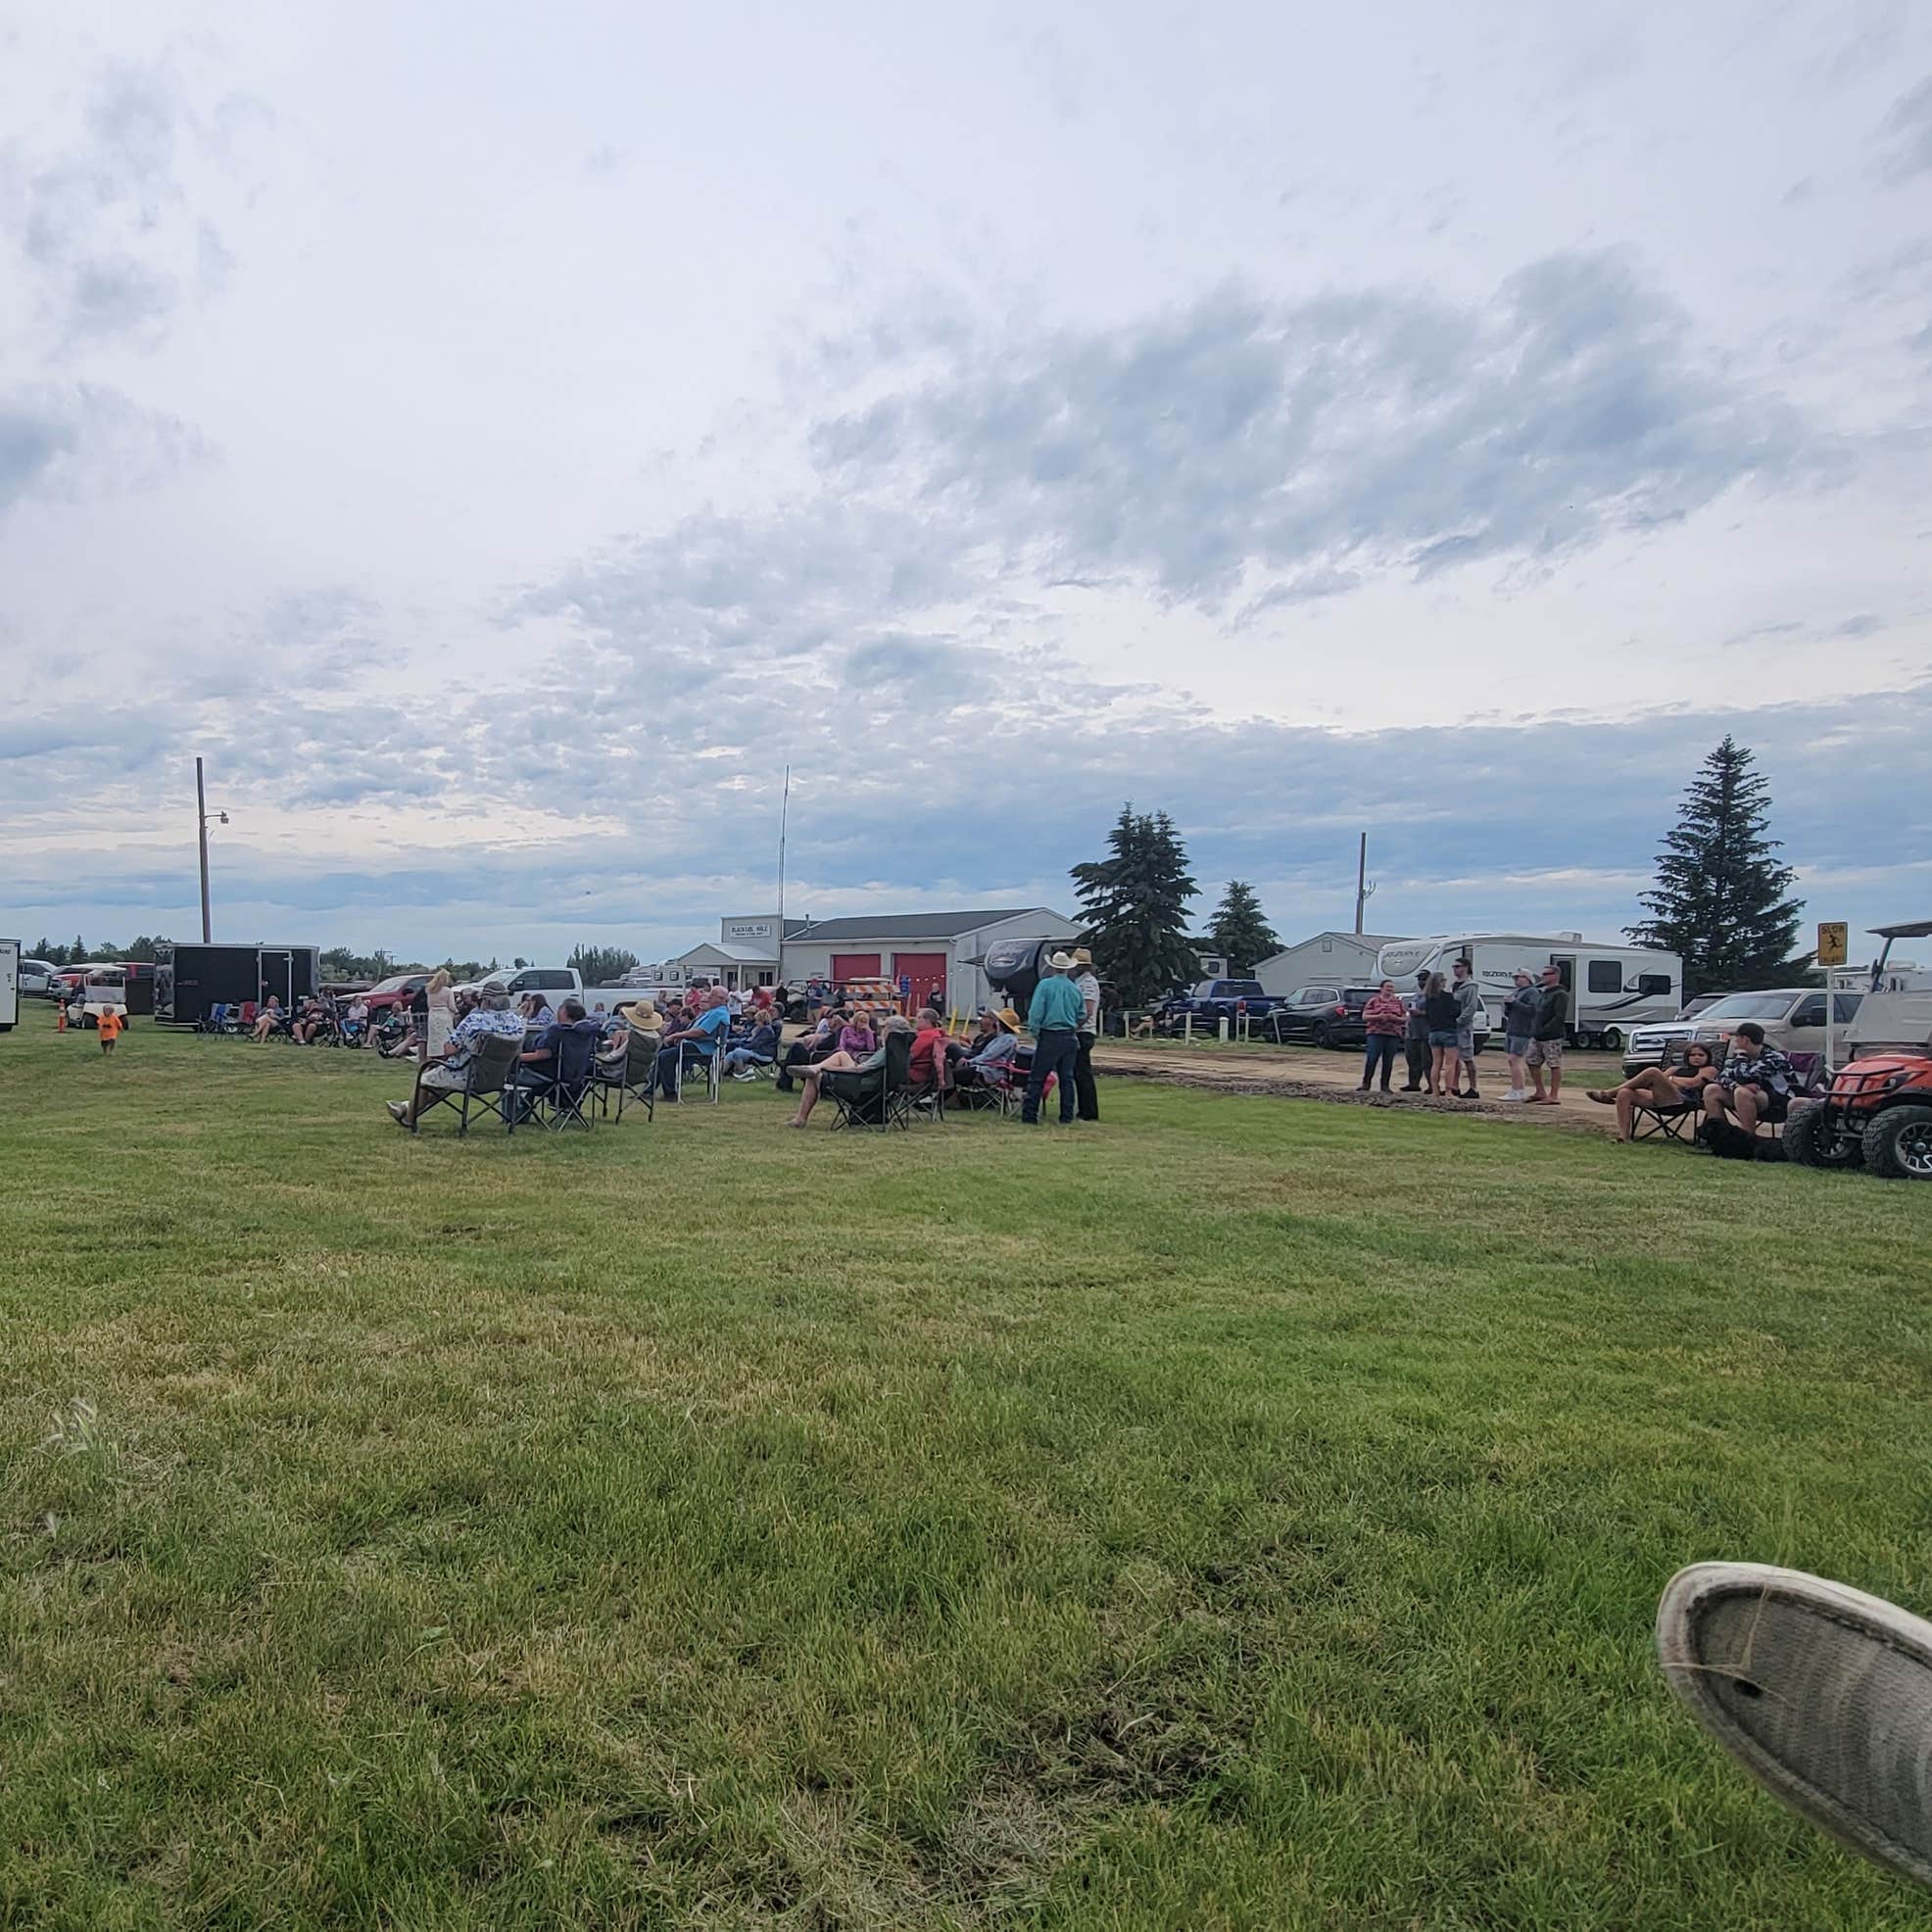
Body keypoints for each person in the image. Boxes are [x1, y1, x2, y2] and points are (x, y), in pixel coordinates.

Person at [386, 978, 526, 1130]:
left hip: (467, 1075)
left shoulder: (475, 1020)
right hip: (500, 1077)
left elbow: (450, 1049)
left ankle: (408, 1117)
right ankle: (406, 1107)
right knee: (440, 1083)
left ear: (486, 1001)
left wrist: (451, 1041)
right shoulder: (517, 1022)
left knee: (426, 1078)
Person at [786, 1015, 910, 1127]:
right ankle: (814, 1068)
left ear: (890, 1031)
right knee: (842, 1055)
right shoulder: (900, 1052)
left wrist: (830, 1069)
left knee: (814, 1077)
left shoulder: (886, 1052)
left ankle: (800, 1119)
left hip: (861, 1086)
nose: (883, 1031)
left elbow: (859, 1070)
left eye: (885, 1028)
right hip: (874, 1085)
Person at [1587, 1040, 1719, 1141]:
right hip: (1661, 1099)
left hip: (1683, 1101)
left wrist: (1671, 1079)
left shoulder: (1709, 1069)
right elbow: (1659, 1081)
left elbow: (1692, 1083)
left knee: (1653, 1072)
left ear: (1707, 1057)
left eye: (1701, 1055)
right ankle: (1624, 1137)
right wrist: (1669, 1080)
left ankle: (1609, 1094)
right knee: (1625, 1092)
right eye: (1692, 1055)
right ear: (1687, 1057)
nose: (1696, 1057)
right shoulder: (1675, 1068)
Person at [507, 996, 601, 1121]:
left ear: (564, 1012)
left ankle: (514, 1116)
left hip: (549, 1078)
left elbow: (542, 1055)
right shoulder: (587, 1032)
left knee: (513, 1073)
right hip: (574, 1079)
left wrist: (514, 1057)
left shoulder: (557, 1031)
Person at [1702, 1021, 1794, 1140]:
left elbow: (1748, 1074)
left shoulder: (1774, 1057)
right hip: (1748, 1095)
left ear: (1745, 1039)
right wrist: (1736, 1085)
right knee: (1711, 1090)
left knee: (1742, 1093)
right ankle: (1721, 1137)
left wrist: (1741, 1059)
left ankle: (1748, 1139)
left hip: (1777, 1102)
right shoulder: (1742, 1058)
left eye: (1737, 1038)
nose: (1735, 1042)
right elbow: (1721, 1077)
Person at [1022, 952, 1084, 1125]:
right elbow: (1082, 1013)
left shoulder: (1045, 985)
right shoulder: (1075, 988)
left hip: (1050, 1035)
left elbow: (1036, 1011)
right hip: (1069, 1035)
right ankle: (1066, 1116)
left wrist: (1035, 1031)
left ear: (1053, 967)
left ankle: (1030, 1115)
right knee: (1067, 1078)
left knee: (1037, 1077)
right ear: (1068, 968)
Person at [650, 987, 732, 1099]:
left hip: (704, 1049)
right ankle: (649, 1090)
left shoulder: (718, 1013)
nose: (708, 997)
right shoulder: (713, 1011)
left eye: (711, 996)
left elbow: (701, 1032)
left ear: (721, 999)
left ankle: (670, 1093)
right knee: (664, 1051)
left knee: (665, 1056)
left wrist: (675, 1035)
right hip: (696, 1045)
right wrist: (679, 1037)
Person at [1524, 963, 1569, 1104]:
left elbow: (1559, 1016)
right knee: (1531, 1061)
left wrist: (1545, 1030)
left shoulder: (1561, 994)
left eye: (1546, 974)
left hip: (1552, 1036)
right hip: (1537, 1035)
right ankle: (1540, 1091)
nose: (1542, 977)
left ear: (1555, 976)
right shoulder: (1544, 993)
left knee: (1554, 1064)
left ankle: (1553, 1095)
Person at [1070, 946, 1101, 1123]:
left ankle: (1088, 1111)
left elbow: (1087, 1009)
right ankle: (1084, 1110)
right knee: (1080, 1072)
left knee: (1083, 1073)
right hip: (1082, 1030)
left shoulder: (1088, 983)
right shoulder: (1081, 981)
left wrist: (1074, 1027)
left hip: (1084, 1031)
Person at [1358, 979, 1406, 1092]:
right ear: (1381, 988)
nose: (1389, 989)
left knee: (1388, 1061)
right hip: (1375, 1033)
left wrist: (1395, 1019)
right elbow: (1364, 1016)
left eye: (1391, 987)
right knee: (1372, 1058)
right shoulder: (1374, 1001)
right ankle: (1366, 1083)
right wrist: (1378, 1017)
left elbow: (1405, 1018)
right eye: (1387, 987)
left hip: (1393, 1034)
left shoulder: (1398, 1002)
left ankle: (1385, 1086)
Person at [954, 1011, 1022, 1089]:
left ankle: (945, 1099)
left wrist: (969, 1062)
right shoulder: (1000, 1038)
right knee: (951, 1074)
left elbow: (990, 1055)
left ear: (999, 1023)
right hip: (983, 1068)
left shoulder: (1008, 1039)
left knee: (951, 1076)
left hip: (991, 1072)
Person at [1499, 969, 1537, 1102]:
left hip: (1522, 1031)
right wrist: (1508, 1005)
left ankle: (1517, 1090)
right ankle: (1517, 1089)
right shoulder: (1516, 992)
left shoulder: (1532, 992)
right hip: (1512, 1029)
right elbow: (1510, 1012)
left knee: (1515, 1059)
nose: (1515, 980)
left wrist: (1515, 1003)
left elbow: (1532, 1010)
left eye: (1518, 977)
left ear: (1527, 978)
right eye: (1514, 978)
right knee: (1511, 1060)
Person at [1423, 971, 1462, 1096]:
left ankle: (1435, 1090)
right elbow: (1456, 1012)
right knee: (1450, 1063)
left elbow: (1427, 1015)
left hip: (1434, 1031)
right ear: (1441, 983)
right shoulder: (1448, 997)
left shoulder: (1428, 998)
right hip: (1449, 1031)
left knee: (1436, 1063)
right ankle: (1449, 1091)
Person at [1450, 957, 1483, 1100]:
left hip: (1463, 1027)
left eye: (1457, 966)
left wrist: (1460, 1020)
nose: (1455, 969)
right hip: (1452, 1027)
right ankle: (1455, 1086)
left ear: (1465, 967)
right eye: (1454, 967)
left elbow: (1471, 1007)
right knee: (1454, 1058)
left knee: (1467, 1058)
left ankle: (1473, 1087)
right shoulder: (1454, 985)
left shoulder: (1471, 986)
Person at [908, 1006, 950, 1103]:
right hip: (928, 1076)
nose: (915, 1020)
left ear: (927, 1020)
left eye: (918, 1018)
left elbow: (911, 1055)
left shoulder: (926, 1035)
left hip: (915, 1074)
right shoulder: (938, 1034)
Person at [723, 1011, 782, 1079]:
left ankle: (741, 1073)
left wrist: (742, 1047)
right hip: (756, 1052)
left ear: (762, 1020)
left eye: (757, 1021)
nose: (756, 1023)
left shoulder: (767, 1030)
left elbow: (755, 1044)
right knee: (730, 1054)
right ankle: (722, 1073)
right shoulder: (762, 1029)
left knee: (737, 1052)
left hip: (764, 1055)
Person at [1399, 971, 1430, 1090]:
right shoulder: (1416, 995)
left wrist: (1420, 1013)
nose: (1421, 982)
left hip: (1425, 1033)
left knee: (1427, 1062)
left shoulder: (1433, 996)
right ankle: (1413, 1084)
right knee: (1412, 1060)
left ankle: (1431, 1085)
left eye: (1423, 979)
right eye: (1419, 979)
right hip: (1412, 1032)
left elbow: (1436, 1013)